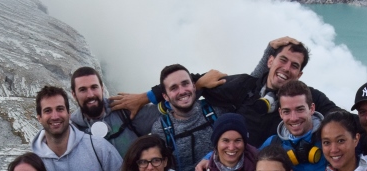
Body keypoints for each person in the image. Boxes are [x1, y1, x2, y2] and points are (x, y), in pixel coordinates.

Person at [120, 39, 339, 148]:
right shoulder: (244, 86)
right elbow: (183, 82)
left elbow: (339, 116)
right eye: (283, 60)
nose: (286, 68)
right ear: (270, 61)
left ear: (300, 74)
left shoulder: (306, 98)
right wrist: (144, 98)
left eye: (294, 66)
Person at [70, 66, 159, 158]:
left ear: (102, 88)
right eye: (83, 90)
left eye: (94, 87)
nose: (90, 95)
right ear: (74, 95)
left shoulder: (125, 111)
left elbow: (168, 107)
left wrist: (146, 97)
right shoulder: (72, 130)